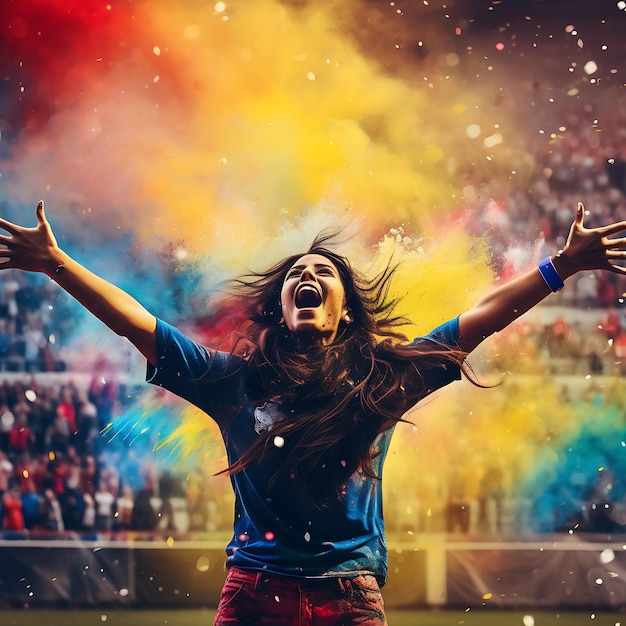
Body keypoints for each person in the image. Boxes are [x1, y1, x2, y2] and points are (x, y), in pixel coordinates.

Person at [0, 200, 625, 625]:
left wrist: (559, 267)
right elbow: (138, 322)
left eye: (321, 272)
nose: (307, 274)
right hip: (253, 595)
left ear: (343, 310)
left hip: (347, 598)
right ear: (281, 308)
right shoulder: (231, 382)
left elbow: (478, 321)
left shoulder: (380, 381)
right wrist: (57, 263)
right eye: (297, 273)